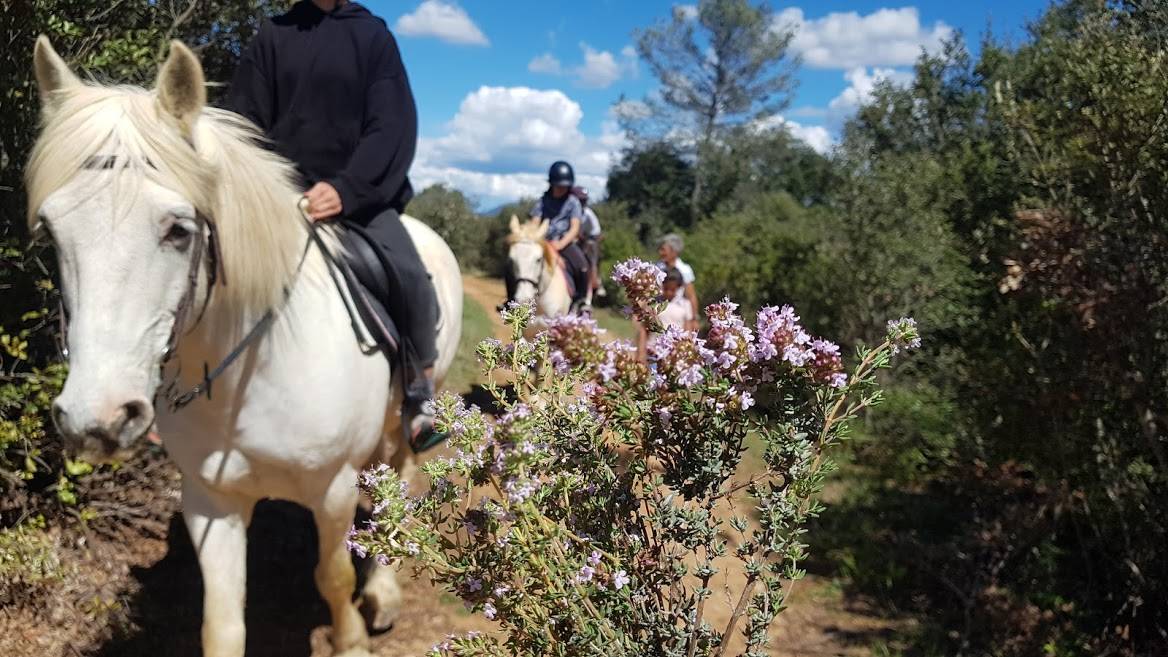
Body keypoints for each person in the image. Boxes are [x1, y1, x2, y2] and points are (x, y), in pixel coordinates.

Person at [227, 0, 444, 452]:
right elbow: (243, 123)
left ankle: (418, 394)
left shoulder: (373, 37)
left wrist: (347, 189)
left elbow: (391, 127)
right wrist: (261, 189)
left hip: (357, 201)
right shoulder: (272, 35)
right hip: (278, 200)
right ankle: (174, 382)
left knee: (410, 276)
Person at [529, 161, 590, 307]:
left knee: (583, 266)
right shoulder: (542, 201)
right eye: (559, 186)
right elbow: (534, 223)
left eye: (565, 186)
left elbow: (574, 228)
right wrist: (537, 239)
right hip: (543, 242)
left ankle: (581, 301)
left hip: (564, 243)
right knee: (519, 262)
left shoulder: (573, 202)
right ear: (552, 184)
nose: (562, 189)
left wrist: (560, 244)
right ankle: (512, 299)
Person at [637, 268, 693, 362]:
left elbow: (688, 330)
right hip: (654, 351)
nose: (668, 292)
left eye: (672, 290)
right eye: (666, 288)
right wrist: (641, 353)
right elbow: (644, 329)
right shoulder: (653, 303)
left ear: (678, 287)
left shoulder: (685, 304)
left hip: (675, 354)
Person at [657, 233, 699, 331]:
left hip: (678, 313)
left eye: (663, 250)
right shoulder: (658, 267)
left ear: (674, 252)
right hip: (659, 311)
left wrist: (694, 319)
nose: (660, 253)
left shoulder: (684, 269)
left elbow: (691, 296)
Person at [572, 186, 605, 301]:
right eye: (580, 200)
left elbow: (596, 233)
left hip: (586, 241)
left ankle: (596, 280)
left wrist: (583, 239)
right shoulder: (567, 211)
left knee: (592, 253)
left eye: (584, 200)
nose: (582, 203)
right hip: (568, 240)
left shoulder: (588, 214)